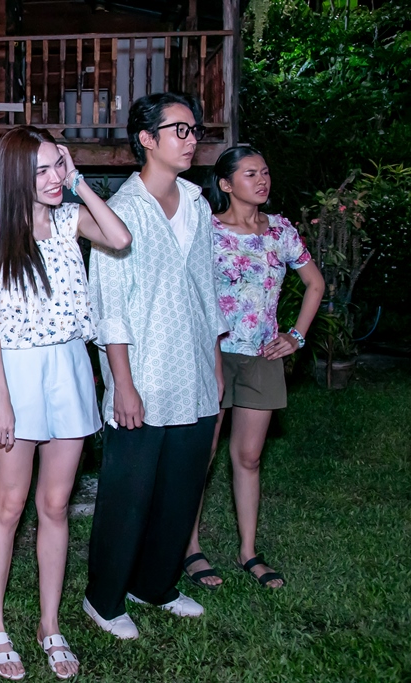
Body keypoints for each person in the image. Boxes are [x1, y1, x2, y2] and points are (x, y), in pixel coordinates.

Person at [0, 126, 131, 680]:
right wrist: (2, 399)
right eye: (41, 169)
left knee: (57, 505)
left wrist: (79, 179)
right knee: (10, 504)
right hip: (16, 370)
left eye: (57, 165)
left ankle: (49, 623)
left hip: (69, 366)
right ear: (17, 175)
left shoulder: (69, 218)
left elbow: (119, 237)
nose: (53, 178)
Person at [84, 93, 230, 640]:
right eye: (179, 130)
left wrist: (215, 364)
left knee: (181, 489)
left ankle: (156, 585)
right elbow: (110, 307)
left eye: (194, 130)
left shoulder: (197, 203)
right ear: (147, 139)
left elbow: (207, 292)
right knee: (129, 495)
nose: (191, 140)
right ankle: (103, 598)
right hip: (143, 375)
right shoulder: (121, 211)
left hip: (193, 371)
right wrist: (122, 385)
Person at [182, 146, 324, 590]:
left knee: (249, 457)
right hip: (214, 355)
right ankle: (190, 547)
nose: (262, 180)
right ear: (225, 184)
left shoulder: (280, 230)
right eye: (249, 174)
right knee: (202, 455)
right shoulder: (206, 229)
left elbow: (315, 283)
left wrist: (295, 337)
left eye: (264, 172)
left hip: (263, 356)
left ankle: (248, 551)